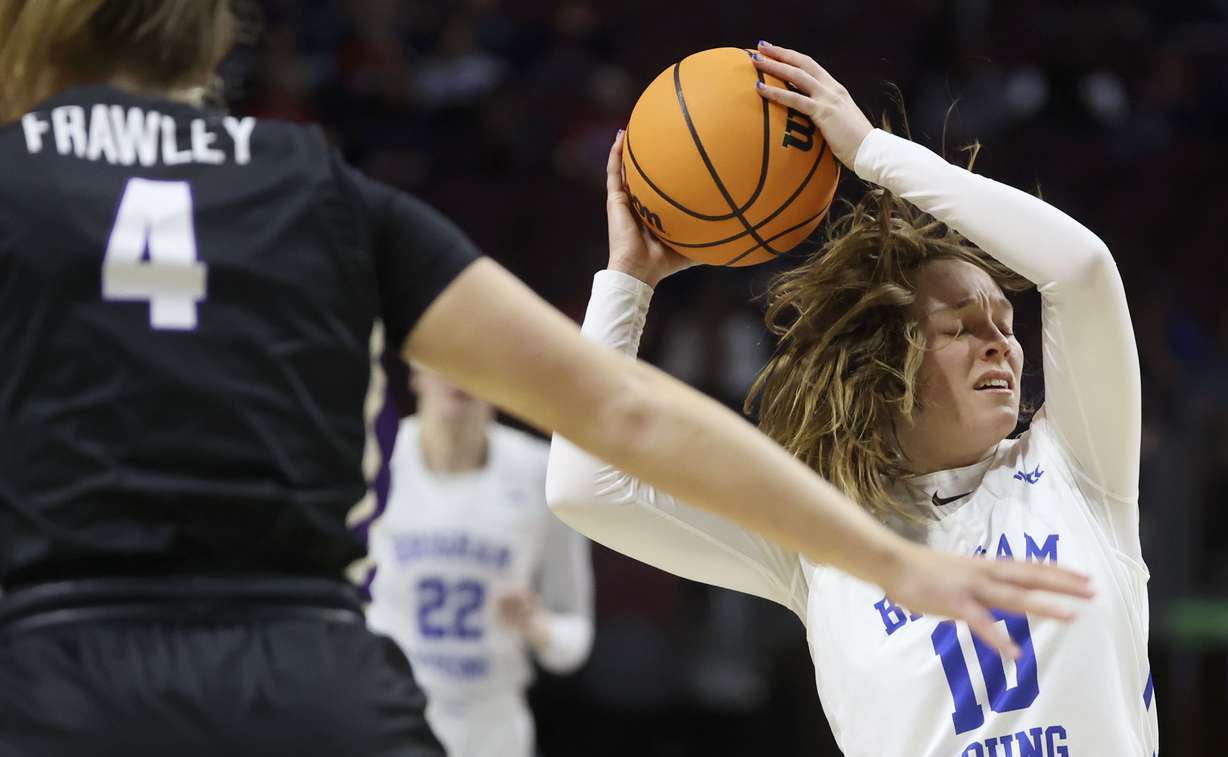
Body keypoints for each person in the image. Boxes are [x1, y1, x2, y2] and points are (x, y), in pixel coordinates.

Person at [0, 3, 1090, 754]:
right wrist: (885, 558)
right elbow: (618, 408)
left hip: (55, 666)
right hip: (303, 676)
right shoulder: (317, 193)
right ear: (211, 44)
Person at [547, 40, 1156, 757]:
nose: (1001, 344)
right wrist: (628, 281)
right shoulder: (824, 537)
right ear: (886, 360)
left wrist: (874, 153)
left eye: (1005, 323)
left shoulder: (1076, 469)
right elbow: (584, 488)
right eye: (961, 326)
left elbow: (1080, 269)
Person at [367, 367, 593, 757]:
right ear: (415, 371)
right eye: (444, 356)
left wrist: (535, 626)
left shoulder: (543, 472)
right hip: (390, 717)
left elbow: (574, 640)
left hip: (492, 729)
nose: (459, 372)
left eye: (474, 358)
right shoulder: (373, 462)